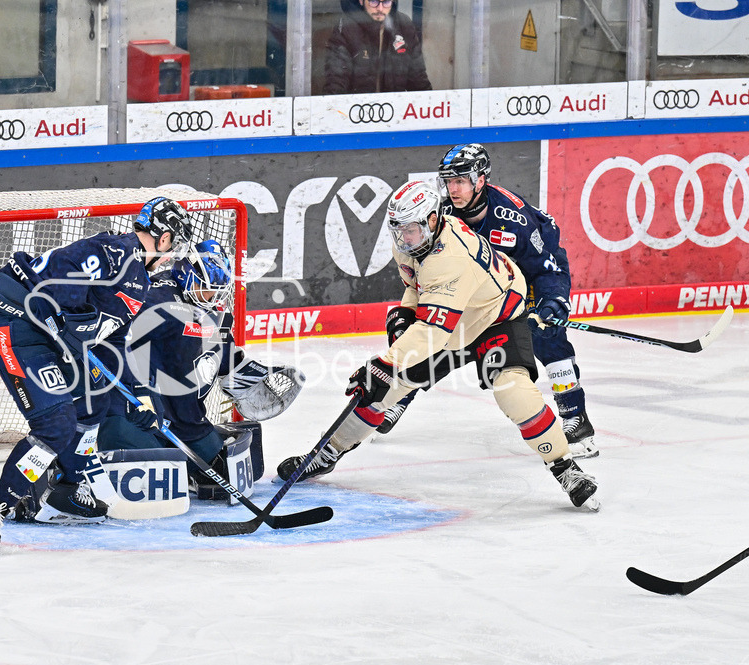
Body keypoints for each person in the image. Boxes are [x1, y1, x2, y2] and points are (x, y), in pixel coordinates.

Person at [276, 181, 600, 511]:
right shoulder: (412, 243)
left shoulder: (451, 256)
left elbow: (433, 332)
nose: (404, 238)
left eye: (412, 230)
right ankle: (328, 453)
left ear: (433, 220)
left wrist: (385, 363)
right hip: (453, 320)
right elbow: (420, 285)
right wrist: (406, 311)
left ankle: (566, 468)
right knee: (383, 390)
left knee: (513, 391)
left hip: (495, 318)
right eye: (398, 230)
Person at [0, 197, 195, 555]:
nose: (172, 252)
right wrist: (64, 319)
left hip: (51, 340)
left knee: (95, 398)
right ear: (162, 238)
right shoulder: (114, 251)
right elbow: (54, 283)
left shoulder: (139, 282)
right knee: (56, 426)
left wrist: (134, 397)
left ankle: (68, 487)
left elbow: (111, 343)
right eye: (173, 243)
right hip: (16, 328)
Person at [378, 144, 598, 459]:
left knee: (547, 335)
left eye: (461, 181)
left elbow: (546, 267)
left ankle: (575, 417)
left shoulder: (514, 219)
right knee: (439, 333)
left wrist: (553, 300)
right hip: (479, 288)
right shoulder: (439, 214)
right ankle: (400, 397)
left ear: (481, 180)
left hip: (523, 280)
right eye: (448, 181)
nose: (452, 189)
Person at [96, 239, 304, 499]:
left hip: (186, 420)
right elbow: (111, 344)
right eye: (205, 288)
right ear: (186, 273)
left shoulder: (211, 307)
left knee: (220, 477)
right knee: (154, 474)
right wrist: (136, 396)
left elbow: (223, 353)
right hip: (141, 416)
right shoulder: (155, 300)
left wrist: (246, 372)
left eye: (217, 290)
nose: (212, 296)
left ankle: (185, 459)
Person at [323, 0, 432, 95]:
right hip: (357, 112)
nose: (380, 8)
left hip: (394, 110)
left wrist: (429, 110)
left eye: (386, 2)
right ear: (361, 1)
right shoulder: (347, 28)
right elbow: (336, 80)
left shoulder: (404, 25)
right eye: (373, 1)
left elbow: (419, 80)